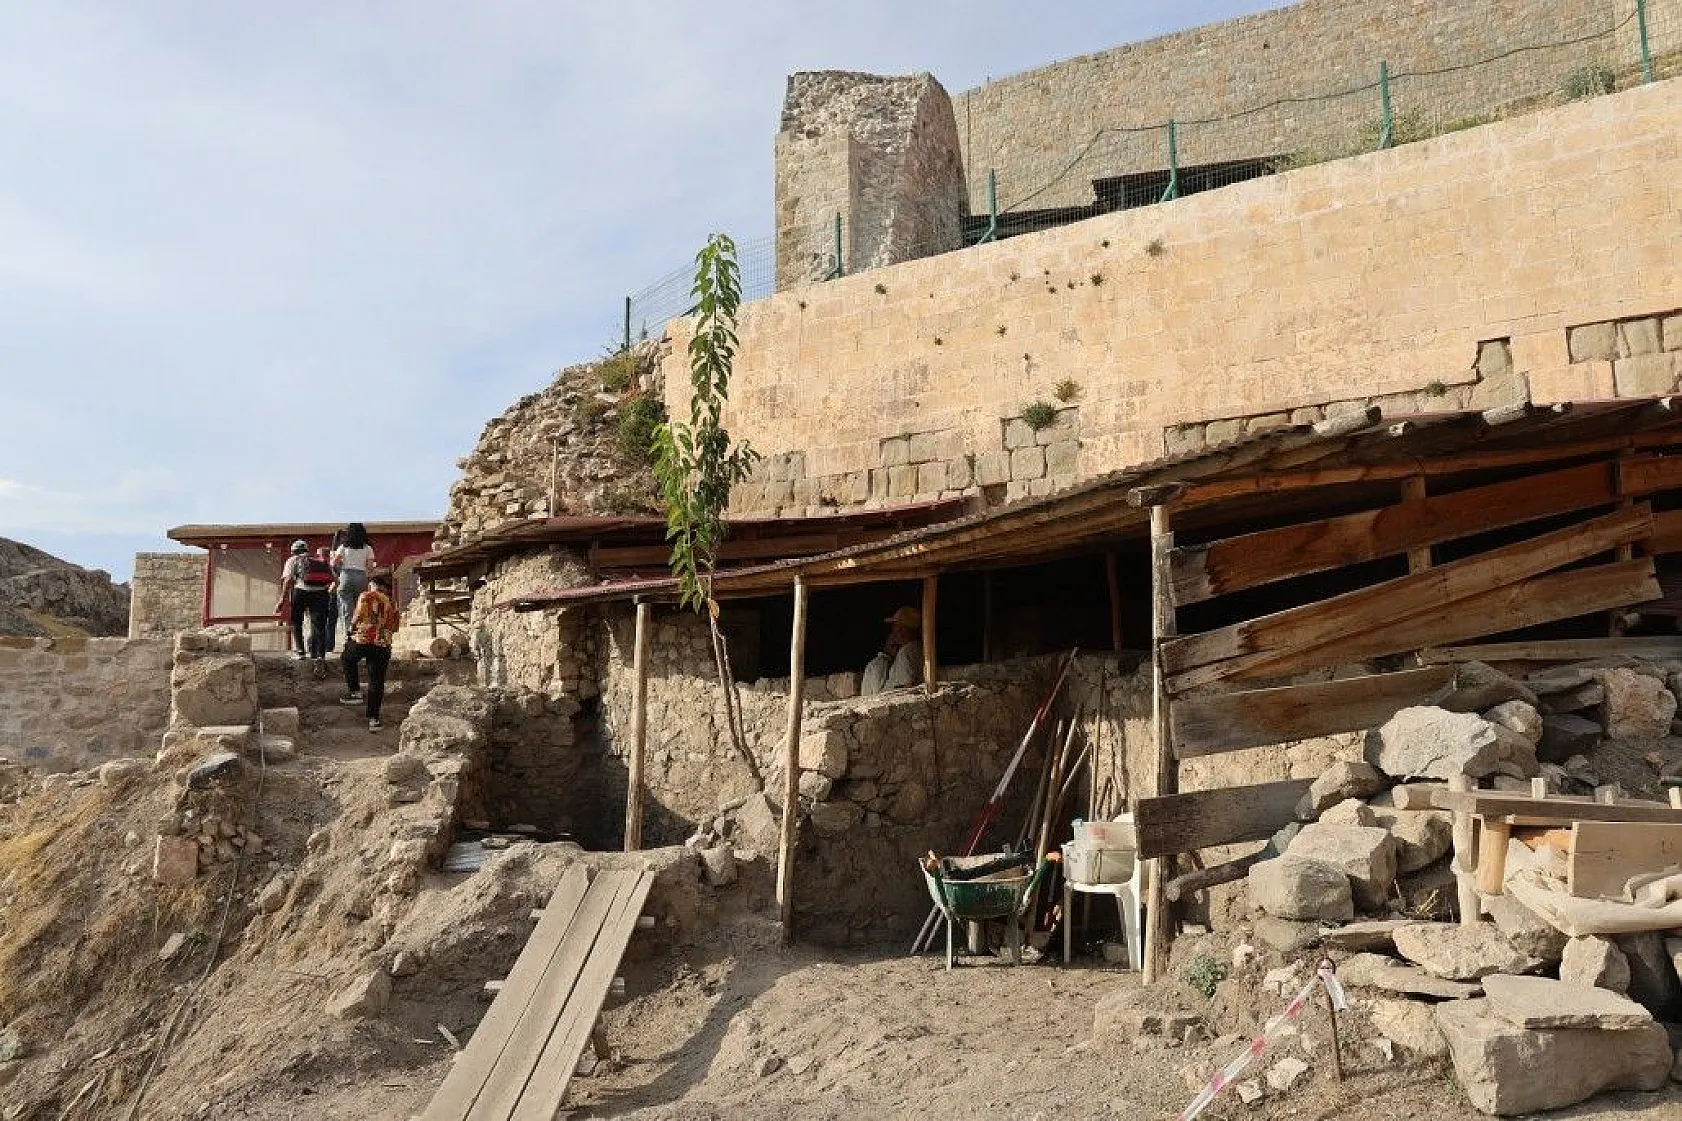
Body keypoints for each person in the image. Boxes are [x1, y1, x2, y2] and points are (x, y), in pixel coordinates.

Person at [340, 572, 400, 731]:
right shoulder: (392, 602)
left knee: (347, 657)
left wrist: (350, 631)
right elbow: (395, 627)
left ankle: (355, 692)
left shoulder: (366, 596)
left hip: (363, 639)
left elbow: (357, 616)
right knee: (377, 682)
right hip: (382, 644)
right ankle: (374, 720)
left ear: (373, 584)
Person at [276, 539, 333, 668]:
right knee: (319, 624)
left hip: (301, 591)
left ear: (293, 551)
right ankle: (320, 655)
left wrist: (282, 599)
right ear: (307, 550)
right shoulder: (319, 561)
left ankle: (301, 652)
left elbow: (288, 580)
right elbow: (335, 579)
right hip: (321, 593)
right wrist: (327, 592)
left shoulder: (293, 560)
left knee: (296, 621)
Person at [332, 522, 376, 653]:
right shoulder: (368, 548)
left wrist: (341, 567)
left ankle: (348, 637)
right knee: (361, 608)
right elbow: (370, 567)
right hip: (361, 577)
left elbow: (334, 562)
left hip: (345, 576)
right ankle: (360, 636)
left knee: (346, 608)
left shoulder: (343, 547)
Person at [861, 606, 922, 695]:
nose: (893, 631)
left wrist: (885, 655)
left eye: (895, 626)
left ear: (902, 629)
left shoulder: (906, 653)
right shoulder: (917, 649)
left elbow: (905, 687)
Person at [316, 545, 339, 653]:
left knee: (328, 621)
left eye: (318, 555)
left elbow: (336, 581)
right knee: (327, 621)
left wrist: (328, 591)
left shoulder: (330, 566)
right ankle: (326, 645)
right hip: (327, 595)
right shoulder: (329, 566)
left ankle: (327, 645)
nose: (317, 557)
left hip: (329, 595)